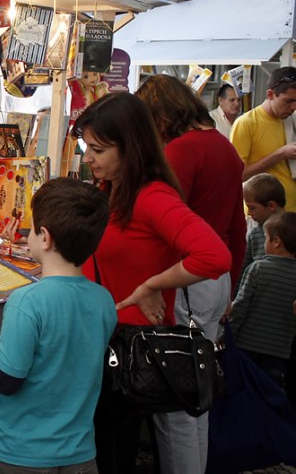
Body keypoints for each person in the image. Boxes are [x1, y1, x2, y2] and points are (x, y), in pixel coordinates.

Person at [73, 92, 231, 474]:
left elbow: (215, 256)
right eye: (86, 147)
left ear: (130, 147)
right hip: (104, 337)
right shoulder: (112, 190)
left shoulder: (152, 196)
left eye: (97, 148)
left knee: (113, 448)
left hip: (128, 350)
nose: (88, 157)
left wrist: (152, 284)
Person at [0, 177, 116, 472]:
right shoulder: (103, 300)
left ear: (44, 237)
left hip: (17, 455)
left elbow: (5, 379)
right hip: (80, 456)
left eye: (30, 229)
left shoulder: (27, 301)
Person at [136, 75, 246, 474]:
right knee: (195, 394)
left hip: (186, 278)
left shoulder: (182, 151)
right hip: (214, 280)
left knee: (176, 400)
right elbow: (236, 224)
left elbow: (162, 226)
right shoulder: (223, 146)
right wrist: (230, 281)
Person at [230, 212, 296, 389]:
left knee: (244, 389)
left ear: (276, 241)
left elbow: (240, 306)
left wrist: (227, 334)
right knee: (270, 392)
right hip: (280, 351)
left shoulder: (257, 268)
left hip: (246, 345)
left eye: (266, 238)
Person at [231, 66, 296, 211]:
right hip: (261, 217)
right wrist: (281, 153)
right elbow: (237, 175)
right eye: (288, 101)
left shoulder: (291, 121)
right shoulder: (246, 123)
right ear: (270, 94)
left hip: (289, 213)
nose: (294, 107)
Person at [241, 173, 286, 286]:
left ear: (271, 205)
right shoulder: (254, 234)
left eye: (252, 208)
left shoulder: (292, 228)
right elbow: (244, 270)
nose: (249, 213)